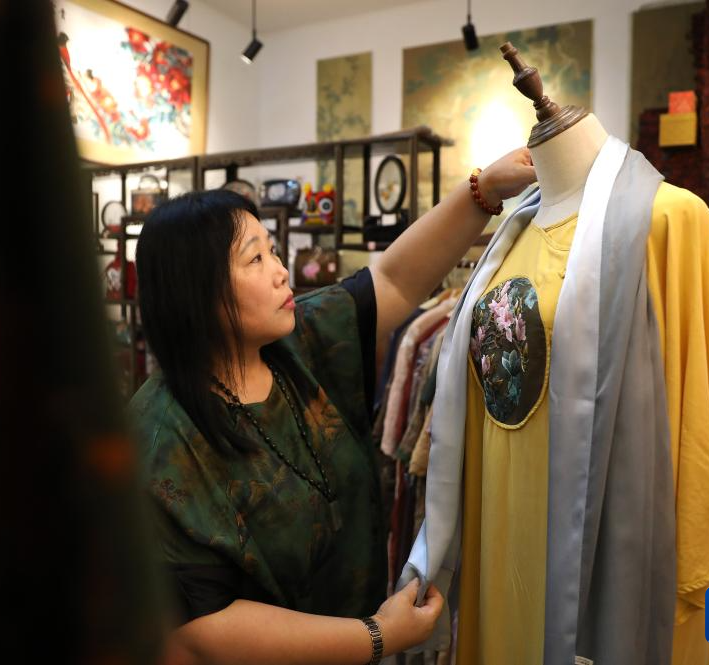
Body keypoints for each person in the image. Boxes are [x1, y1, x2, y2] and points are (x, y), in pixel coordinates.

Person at [130, 148, 537, 665]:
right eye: (255, 259)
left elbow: (393, 280)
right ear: (196, 291)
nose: (281, 272)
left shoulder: (299, 341)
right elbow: (203, 628)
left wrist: (483, 191)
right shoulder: (160, 439)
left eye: (273, 251)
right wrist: (377, 636)